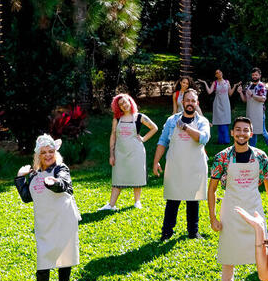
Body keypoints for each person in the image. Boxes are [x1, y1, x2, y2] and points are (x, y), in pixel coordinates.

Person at [208, 117, 268, 281]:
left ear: (251, 133)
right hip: (231, 209)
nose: (242, 133)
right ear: (232, 132)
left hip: (254, 209)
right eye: (238, 130)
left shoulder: (260, 157)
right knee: (228, 251)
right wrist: (213, 217)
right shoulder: (222, 157)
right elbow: (212, 189)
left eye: (245, 130)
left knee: (263, 252)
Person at [15, 134, 81, 281]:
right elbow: (26, 197)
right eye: (43, 152)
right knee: (44, 257)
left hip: (64, 218)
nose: (48, 155)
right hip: (44, 222)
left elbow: (64, 185)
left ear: (55, 152)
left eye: (50, 151)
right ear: (38, 155)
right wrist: (20, 178)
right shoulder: (34, 174)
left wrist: (54, 182)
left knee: (65, 254)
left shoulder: (61, 169)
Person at [153, 89, 211, 240]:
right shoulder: (172, 121)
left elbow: (203, 139)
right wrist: (156, 161)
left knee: (193, 199)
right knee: (173, 198)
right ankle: (167, 231)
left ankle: (193, 231)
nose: (190, 103)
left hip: (195, 166)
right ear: (182, 102)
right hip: (176, 165)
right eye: (188, 100)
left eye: (193, 101)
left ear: (196, 103)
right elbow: (162, 141)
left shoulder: (202, 122)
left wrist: (185, 127)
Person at [97, 94, 159, 211]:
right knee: (117, 177)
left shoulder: (139, 117)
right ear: (118, 107)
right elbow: (113, 136)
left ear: (130, 102)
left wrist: (144, 139)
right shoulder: (117, 119)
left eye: (125, 102)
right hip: (120, 152)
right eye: (120, 104)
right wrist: (112, 154)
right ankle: (111, 205)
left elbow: (154, 128)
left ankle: (137, 202)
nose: (124, 105)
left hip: (136, 152)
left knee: (137, 176)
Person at [197, 69, 239, 146]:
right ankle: (221, 140)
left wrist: (235, 86)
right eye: (217, 73)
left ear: (222, 73)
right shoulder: (215, 83)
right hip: (218, 104)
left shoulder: (227, 82)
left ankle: (226, 140)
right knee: (220, 122)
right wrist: (204, 83)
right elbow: (209, 91)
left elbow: (230, 93)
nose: (219, 73)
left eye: (220, 72)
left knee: (225, 121)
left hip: (226, 103)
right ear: (216, 75)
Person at [239, 67, 268, 153]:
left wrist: (252, 95)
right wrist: (240, 92)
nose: (254, 76)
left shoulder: (261, 86)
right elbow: (245, 100)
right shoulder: (249, 86)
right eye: (253, 75)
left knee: (263, 132)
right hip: (250, 112)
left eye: (256, 75)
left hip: (259, 113)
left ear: (259, 75)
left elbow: (263, 99)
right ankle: (252, 151)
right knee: (252, 131)